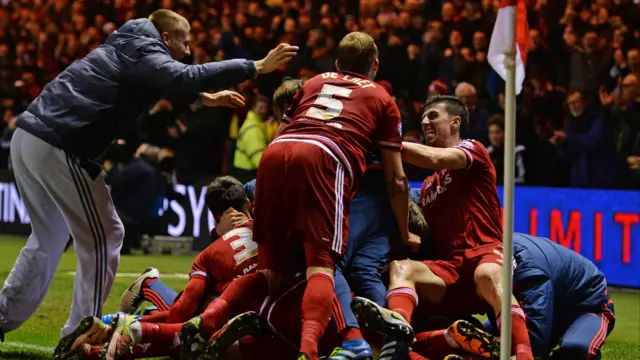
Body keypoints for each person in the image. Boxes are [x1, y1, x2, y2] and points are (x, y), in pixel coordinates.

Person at [0, 8, 297, 340]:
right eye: (184, 43)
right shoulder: (145, 47)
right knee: (104, 237)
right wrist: (254, 66)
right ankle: (79, 335)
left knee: (48, 238)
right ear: (166, 37)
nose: (188, 51)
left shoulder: (128, 44)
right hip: (60, 143)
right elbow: (181, 76)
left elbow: (159, 83)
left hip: (29, 135)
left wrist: (202, 99)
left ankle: (2, 316)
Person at [183, 32, 411, 360]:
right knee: (321, 266)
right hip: (324, 159)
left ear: (336, 64)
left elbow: (281, 133)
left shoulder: (314, 82)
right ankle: (312, 350)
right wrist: (405, 232)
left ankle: (207, 321)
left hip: (274, 156)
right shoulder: (382, 98)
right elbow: (398, 179)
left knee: (270, 271)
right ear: (375, 66)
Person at [352, 95, 534, 360]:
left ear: (456, 121)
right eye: (424, 116)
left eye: (433, 116)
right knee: (401, 268)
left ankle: (523, 354)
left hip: (486, 255)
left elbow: (435, 158)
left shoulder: (474, 150)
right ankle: (398, 335)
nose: (425, 121)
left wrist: (384, 144)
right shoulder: (427, 187)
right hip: (449, 270)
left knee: (486, 275)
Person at [52, 176, 259, 360]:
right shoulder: (271, 233)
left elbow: (182, 314)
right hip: (258, 311)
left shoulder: (214, 251)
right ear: (249, 205)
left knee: (198, 317)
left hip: (231, 305)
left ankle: (127, 318)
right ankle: (122, 328)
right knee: (198, 323)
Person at [484, 233, 615, 360]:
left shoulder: (531, 272)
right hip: (541, 298)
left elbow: (536, 338)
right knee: (476, 337)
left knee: (575, 350)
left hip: (587, 303)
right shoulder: (483, 254)